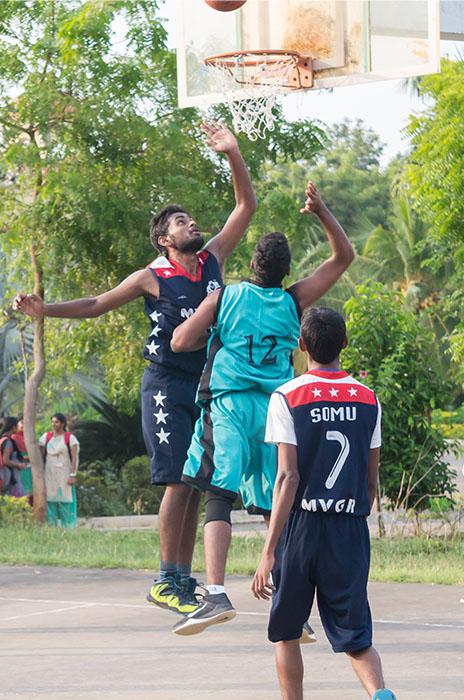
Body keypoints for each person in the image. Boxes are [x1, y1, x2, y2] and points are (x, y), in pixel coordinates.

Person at [14, 122, 256, 614]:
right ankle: (166, 579)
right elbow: (97, 303)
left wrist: (232, 153)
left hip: (205, 384)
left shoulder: (212, 261)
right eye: (181, 221)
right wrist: (46, 310)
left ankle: (182, 580)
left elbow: (245, 207)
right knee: (175, 480)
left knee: (194, 482)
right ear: (164, 239)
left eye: (191, 219)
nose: (192, 224)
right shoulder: (152, 276)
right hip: (165, 384)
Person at [170, 182, 354, 635]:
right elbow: (342, 258)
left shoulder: (225, 297)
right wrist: (323, 212)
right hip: (276, 411)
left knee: (218, 493)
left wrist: (208, 331)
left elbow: (180, 341)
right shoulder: (294, 301)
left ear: (253, 264)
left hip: (229, 407)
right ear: (286, 270)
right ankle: (293, 604)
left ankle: (214, 595)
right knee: (279, 505)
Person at [251, 307, 396, 700]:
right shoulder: (368, 399)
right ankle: (380, 694)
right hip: (348, 527)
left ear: (301, 346)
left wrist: (269, 551)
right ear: (344, 344)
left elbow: (288, 477)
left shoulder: (287, 396)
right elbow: (370, 481)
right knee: (356, 637)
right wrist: (351, 521)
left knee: (286, 632)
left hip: (301, 526)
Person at [39, 413, 80, 528]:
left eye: (56, 422)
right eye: (52, 422)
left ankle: (68, 526)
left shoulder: (70, 438)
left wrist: (72, 474)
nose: (53, 424)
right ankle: (51, 526)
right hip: (49, 473)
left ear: (62, 423)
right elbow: (40, 455)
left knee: (66, 498)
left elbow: (74, 458)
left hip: (64, 473)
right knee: (50, 498)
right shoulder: (46, 437)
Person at [0, 416, 29, 496]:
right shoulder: (7, 441)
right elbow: (6, 460)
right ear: (13, 427)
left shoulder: (2, 439)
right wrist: (18, 465)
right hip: (8, 475)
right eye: (17, 426)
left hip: (2, 473)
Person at [11, 418, 32, 498]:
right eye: (22, 423)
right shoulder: (14, 437)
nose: (24, 425)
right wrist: (26, 457)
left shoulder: (30, 437)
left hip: (30, 468)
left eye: (26, 423)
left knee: (30, 491)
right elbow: (11, 455)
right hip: (19, 466)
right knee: (21, 490)